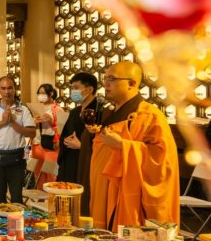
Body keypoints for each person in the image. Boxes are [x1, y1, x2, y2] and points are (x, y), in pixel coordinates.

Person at [87, 62, 179, 230]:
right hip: (103, 190)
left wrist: (123, 145)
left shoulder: (149, 116)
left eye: (112, 79)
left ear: (132, 83)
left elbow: (163, 160)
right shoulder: (110, 112)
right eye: (105, 78)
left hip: (125, 195)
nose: (105, 84)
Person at [0, 76, 35, 204]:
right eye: (3, 88)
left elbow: (32, 132)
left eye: (10, 88)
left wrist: (12, 123)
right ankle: (0, 224)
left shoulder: (23, 109)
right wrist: (3, 122)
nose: (7, 91)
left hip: (17, 157)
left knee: (16, 198)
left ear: (15, 89)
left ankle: (16, 224)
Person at [58, 73, 102, 214]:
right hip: (69, 161)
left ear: (89, 90)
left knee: (82, 205)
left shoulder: (100, 111)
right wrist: (65, 141)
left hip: (86, 163)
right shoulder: (75, 111)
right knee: (66, 204)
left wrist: (82, 146)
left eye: (76, 88)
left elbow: (103, 140)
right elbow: (65, 134)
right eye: (72, 88)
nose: (73, 92)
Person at [30, 83, 63, 188]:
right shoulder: (36, 108)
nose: (40, 95)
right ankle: (40, 197)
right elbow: (29, 126)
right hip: (37, 143)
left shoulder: (57, 109)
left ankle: (50, 197)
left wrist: (51, 120)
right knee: (38, 172)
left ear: (51, 94)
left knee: (50, 173)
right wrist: (34, 121)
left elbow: (62, 128)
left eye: (43, 93)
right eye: (39, 93)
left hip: (50, 144)